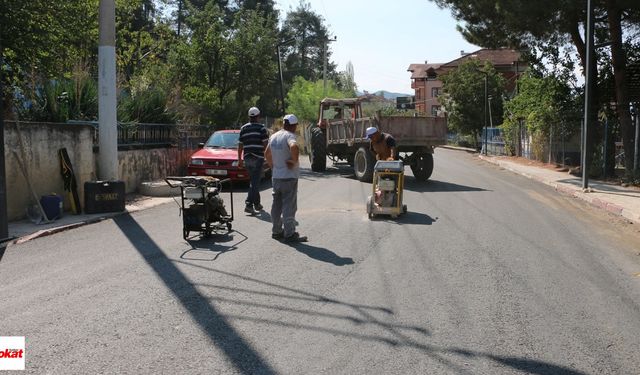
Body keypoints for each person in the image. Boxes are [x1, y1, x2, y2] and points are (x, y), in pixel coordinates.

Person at [265, 114, 308, 243]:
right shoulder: (290, 136)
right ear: (294, 126)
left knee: (276, 206)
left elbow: (267, 153)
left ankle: (276, 231)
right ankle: (290, 234)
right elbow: (294, 147)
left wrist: (273, 167)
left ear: (284, 124)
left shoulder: (273, 136)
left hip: (277, 177)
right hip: (289, 177)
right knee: (289, 206)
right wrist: (293, 161)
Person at [238, 107, 268, 214]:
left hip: (247, 157)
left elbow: (240, 145)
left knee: (253, 181)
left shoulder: (243, 128)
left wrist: (239, 159)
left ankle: (257, 204)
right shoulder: (262, 128)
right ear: (258, 116)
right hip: (258, 157)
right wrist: (268, 158)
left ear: (249, 117)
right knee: (255, 182)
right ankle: (249, 204)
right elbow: (265, 145)